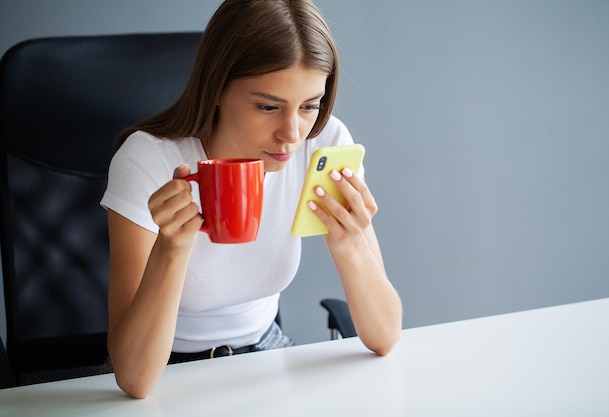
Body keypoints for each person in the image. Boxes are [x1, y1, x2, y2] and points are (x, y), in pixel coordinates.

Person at [101, 0, 402, 399]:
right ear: (217, 89)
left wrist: (351, 248)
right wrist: (171, 252)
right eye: (267, 107)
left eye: (310, 106)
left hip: (266, 355)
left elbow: (384, 337)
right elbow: (135, 380)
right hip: (167, 369)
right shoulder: (150, 159)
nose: (292, 134)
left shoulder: (322, 146)